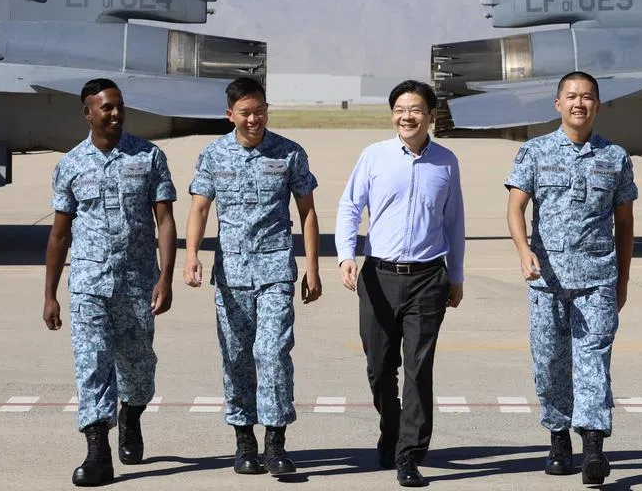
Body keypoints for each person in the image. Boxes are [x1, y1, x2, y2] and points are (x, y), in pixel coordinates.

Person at [42, 78, 178, 487]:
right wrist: (49, 294)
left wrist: (165, 277)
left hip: (137, 282)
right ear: (88, 113)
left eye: (120, 106)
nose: (116, 113)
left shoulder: (148, 156)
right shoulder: (70, 165)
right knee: (92, 364)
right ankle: (97, 452)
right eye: (107, 107)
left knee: (138, 367)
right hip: (89, 283)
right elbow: (59, 234)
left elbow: (165, 221)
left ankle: (131, 414)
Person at [183, 77, 321, 477]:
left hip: (275, 271)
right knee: (237, 357)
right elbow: (199, 209)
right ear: (230, 114)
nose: (254, 119)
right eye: (245, 113)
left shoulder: (289, 153)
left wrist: (312, 267)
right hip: (231, 275)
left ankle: (275, 442)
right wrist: (191, 256)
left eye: (260, 111)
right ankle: (244, 441)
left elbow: (307, 212)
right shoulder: (213, 155)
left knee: (272, 352)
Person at [505, 70, 637, 485]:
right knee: (549, 364)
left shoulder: (615, 157)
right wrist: (523, 251)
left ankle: (594, 447)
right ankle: (559, 438)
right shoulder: (534, 152)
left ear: (598, 105)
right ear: (558, 104)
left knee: (594, 360)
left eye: (587, 97)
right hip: (547, 280)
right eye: (572, 96)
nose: (580, 103)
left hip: (597, 279)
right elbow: (515, 208)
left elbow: (625, 223)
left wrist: (622, 280)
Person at [336, 79, 465, 488]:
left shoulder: (446, 162)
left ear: (431, 116)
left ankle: (409, 454)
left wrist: (456, 275)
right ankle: (391, 428)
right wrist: (346, 255)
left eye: (415, 110)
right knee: (379, 368)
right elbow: (350, 206)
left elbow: (453, 222)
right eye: (399, 110)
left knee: (418, 369)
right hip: (379, 276)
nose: (407, 117)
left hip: (428, 277)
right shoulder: (374, 156)